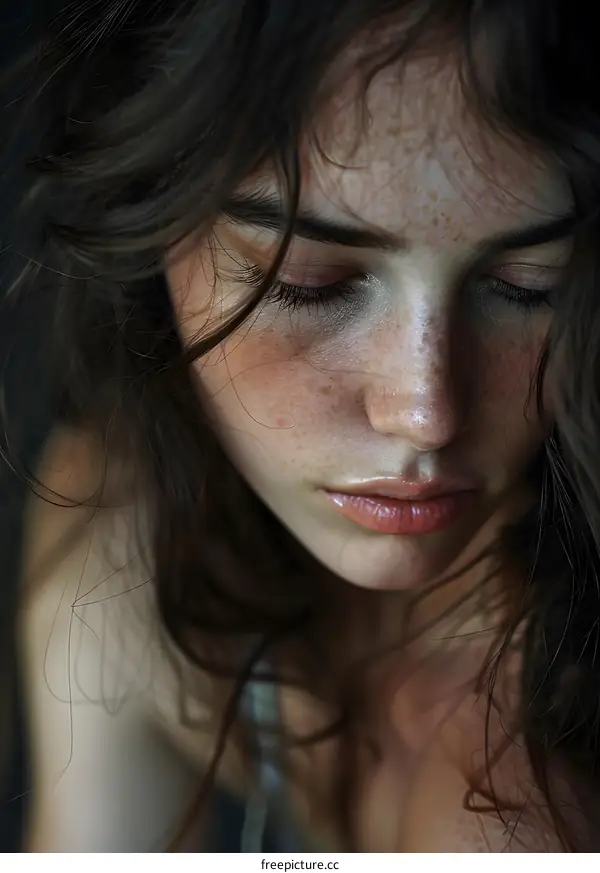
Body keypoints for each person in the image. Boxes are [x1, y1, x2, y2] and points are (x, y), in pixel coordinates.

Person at [11, 0, 600, 852]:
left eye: (530, 285)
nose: (425, 412)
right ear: (149, 217)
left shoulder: (533, 818)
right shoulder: (127, 534)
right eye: (307, 281)